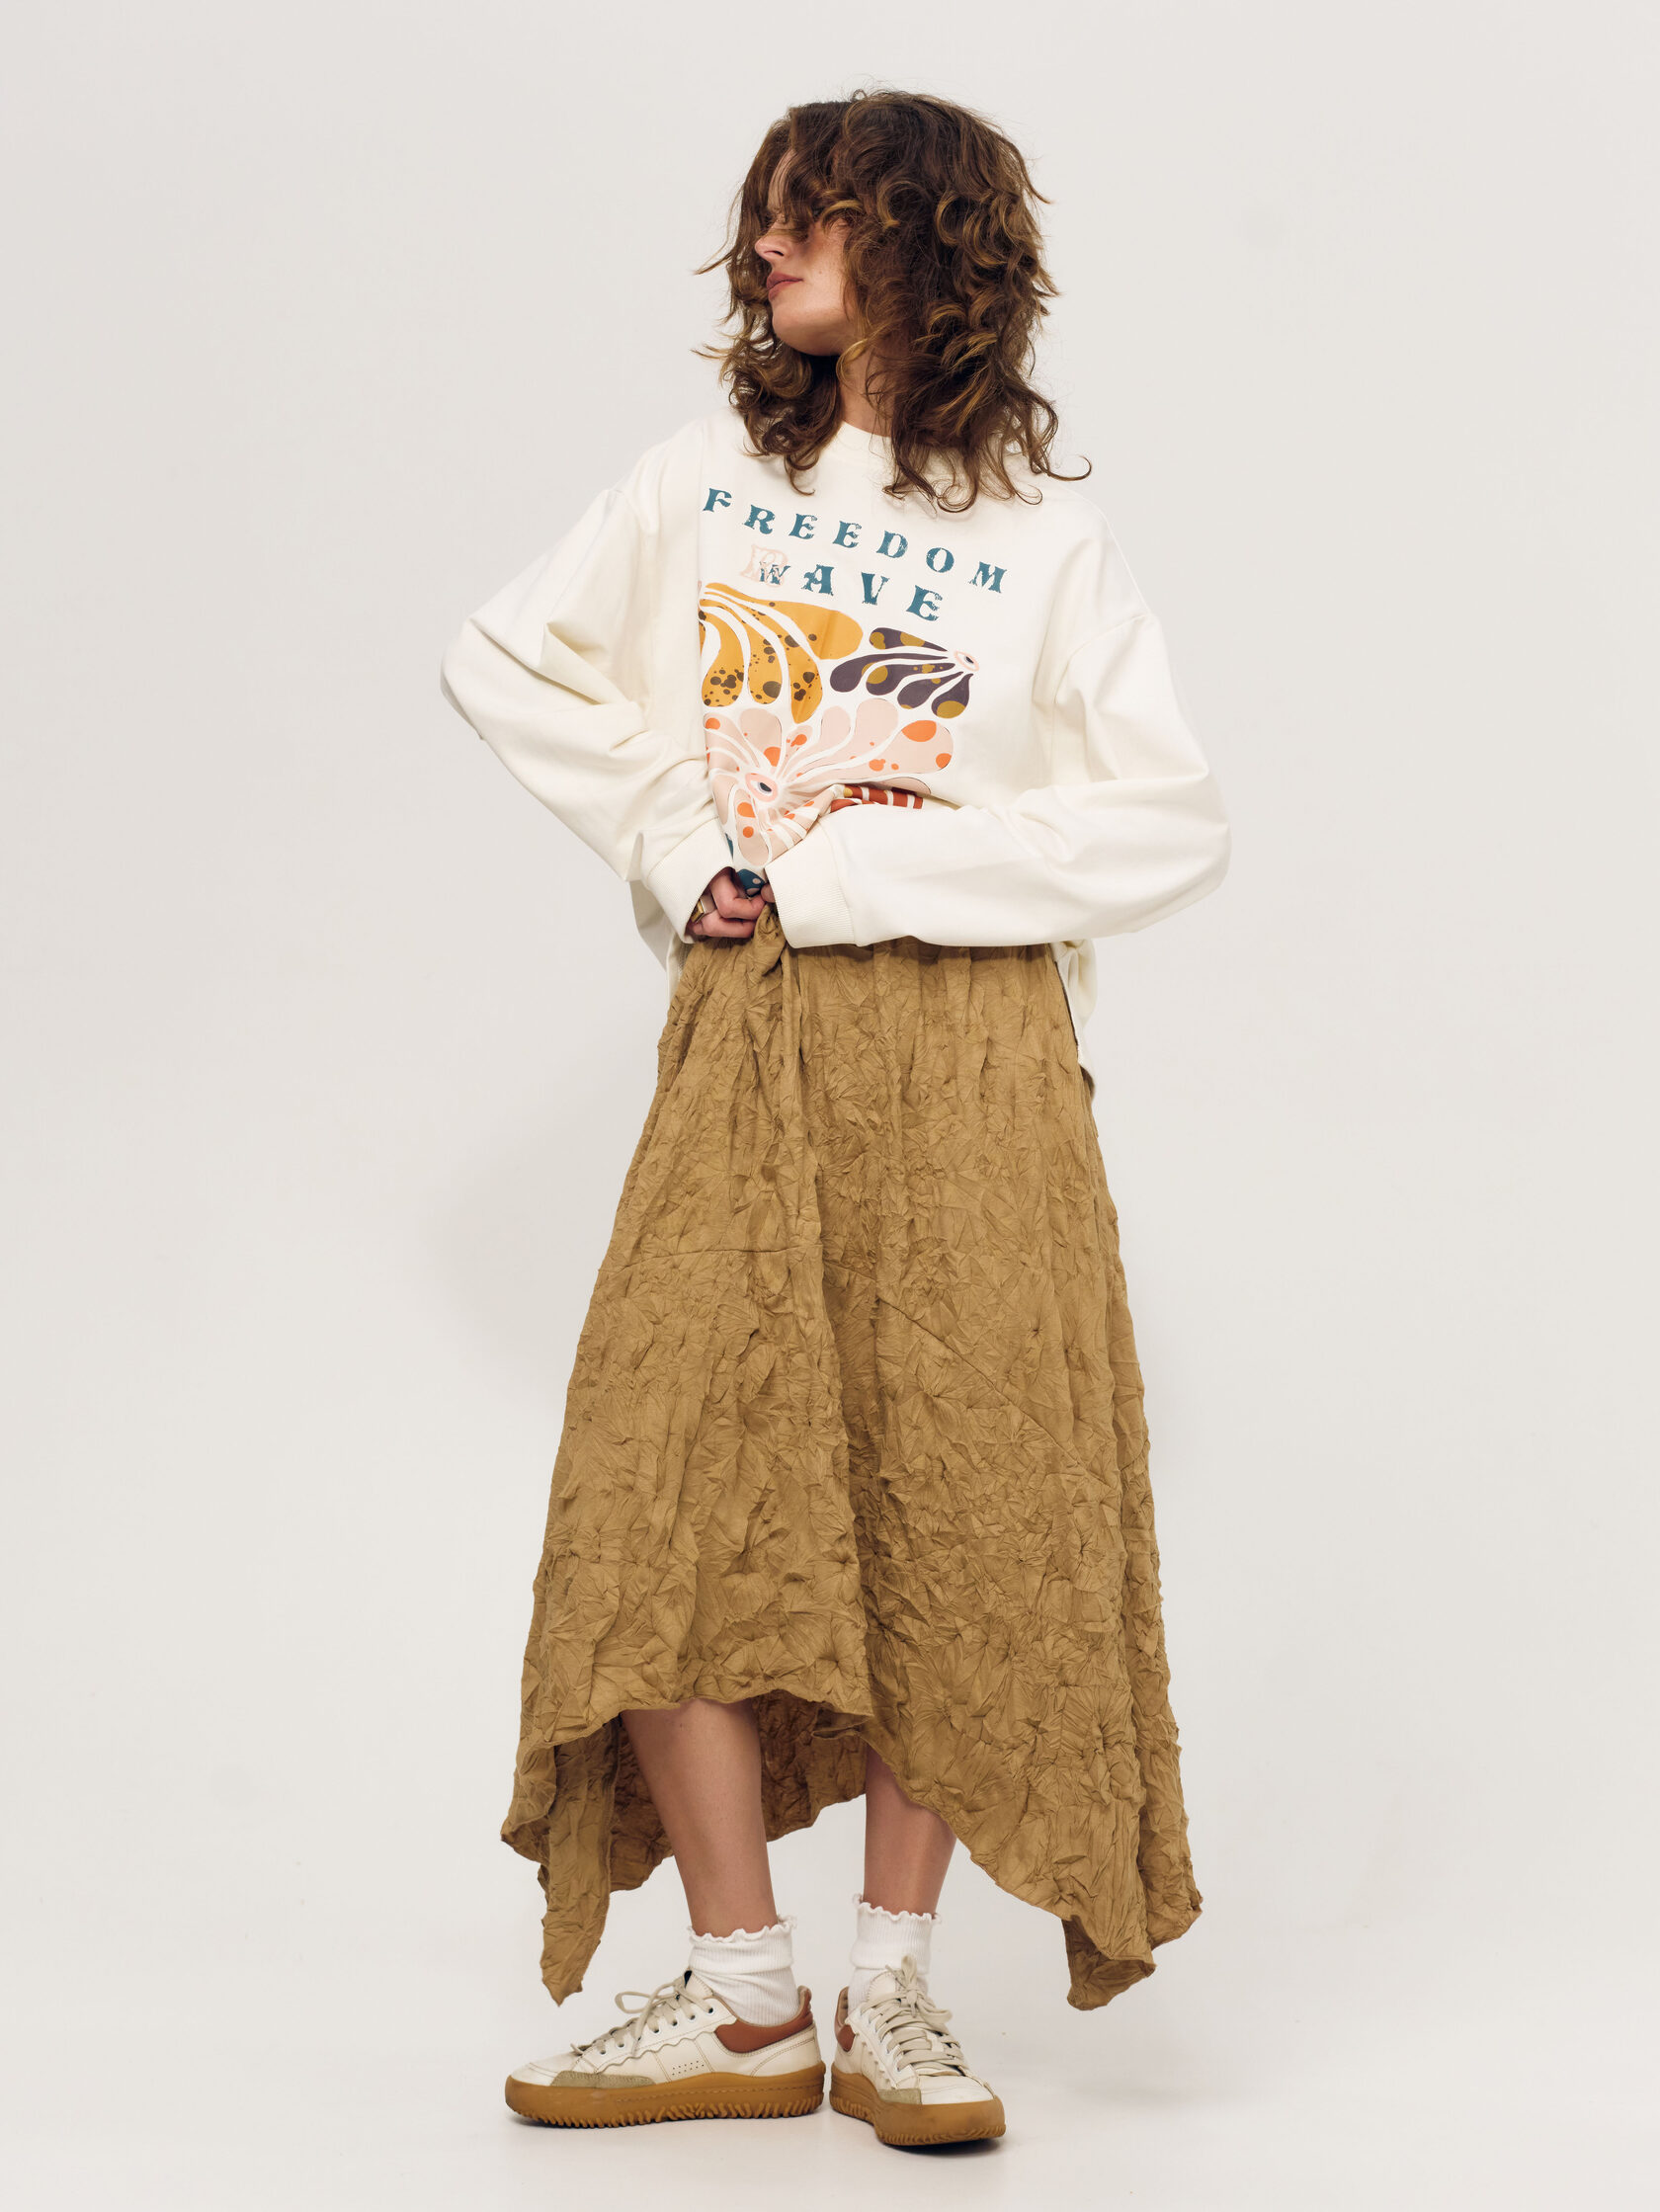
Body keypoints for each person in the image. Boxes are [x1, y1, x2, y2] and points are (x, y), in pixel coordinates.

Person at [440, 89, 1229, 2150]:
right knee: (664, 1489)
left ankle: (889, 1992)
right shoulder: (702, 481)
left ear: (924, 247)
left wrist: (859, 868)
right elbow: (506, 657)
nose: (767, 246)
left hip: (974, 1057)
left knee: (949, 1490)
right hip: (757, 1032)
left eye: (814, 215)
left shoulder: (1044, 542)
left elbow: (1168, 816)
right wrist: (682, 837)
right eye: (764, 217)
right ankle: (741, 1997)